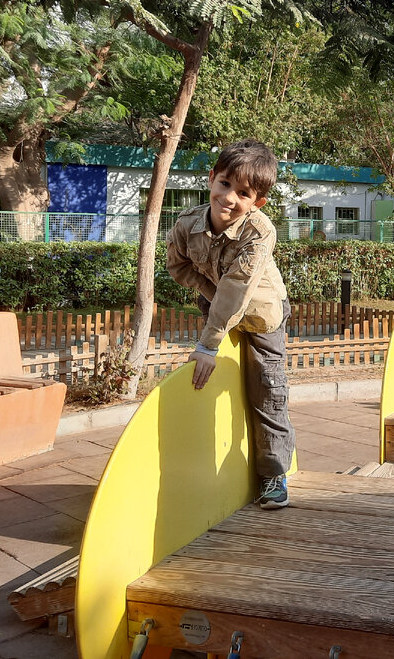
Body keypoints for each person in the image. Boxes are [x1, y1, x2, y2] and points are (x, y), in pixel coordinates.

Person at [165, 139, 295, 510]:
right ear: (211, 179)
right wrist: (211, 291)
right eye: (225, 184)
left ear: (258, 202)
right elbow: (179, 267)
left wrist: (208, 345)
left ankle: (273, 474)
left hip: (260, 317)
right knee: (205, 380)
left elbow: (237, 289)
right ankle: (197, 469)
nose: (230, 198)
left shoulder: (260, 231)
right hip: (218, 308)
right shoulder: (188, 223)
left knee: (266, 390)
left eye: (244, 193)